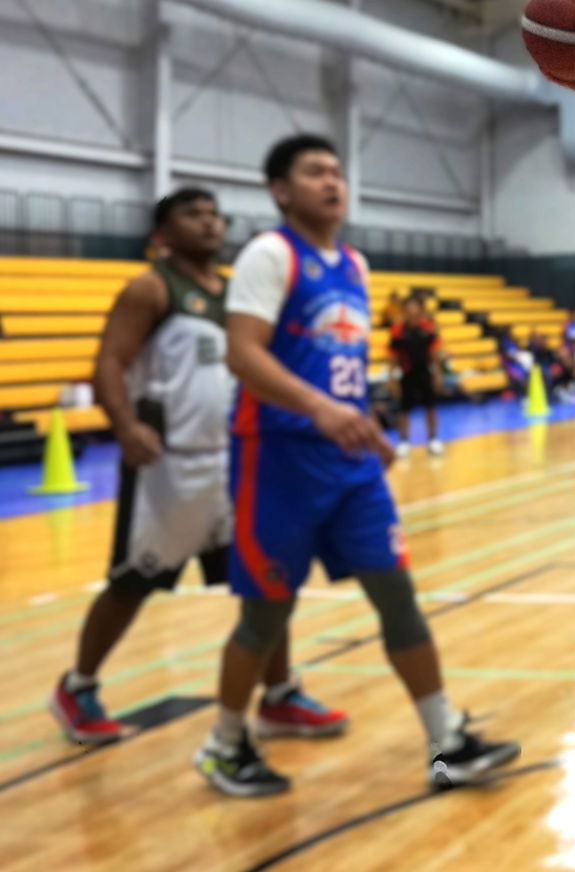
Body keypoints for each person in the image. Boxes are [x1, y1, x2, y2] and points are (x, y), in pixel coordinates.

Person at [194, 134, 518, 797]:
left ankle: (445, 738)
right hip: (277, 458)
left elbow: (333, 365)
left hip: (347, 460)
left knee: (395, 592)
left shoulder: (354, 265)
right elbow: (243, 355)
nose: (331, 182)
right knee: (265, 614)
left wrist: (365, 419)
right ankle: (224, 744)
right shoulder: (269, 254)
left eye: (337, 171)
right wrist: (319, 408)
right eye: (314, 172)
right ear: (281, 189)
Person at [49, 189, 344, 747]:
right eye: (194, 214)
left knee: (267, 577)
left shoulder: (237, 292)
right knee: (134, 581)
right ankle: (77, 686)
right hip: (170, 462)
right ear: (162, 232)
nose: (209, 223)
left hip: (236, 459)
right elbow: (108, 361)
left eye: (214, 214)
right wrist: (124, 424)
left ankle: (278, 696)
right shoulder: (151, 287)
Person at [389, 292, 444, 458]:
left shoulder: (427, 329)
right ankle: (404, 442)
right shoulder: (397, 331)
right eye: (409, 309)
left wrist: (437, 374)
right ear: (404, 311)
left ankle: (433, 440)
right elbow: (393, 356)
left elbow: (434, 353)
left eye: (415, 309)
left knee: (430, 406)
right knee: (404, 409)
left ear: (420, 311)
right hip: (406, 374)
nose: (412, 313)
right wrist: (392, 377)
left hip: (425, 372)